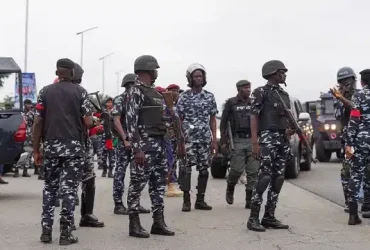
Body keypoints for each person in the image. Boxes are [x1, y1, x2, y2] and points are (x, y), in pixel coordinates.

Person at [33, 58, 94, 245]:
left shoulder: (45, 92)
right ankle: (66, 234)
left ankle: (46, 232)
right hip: (73, 149)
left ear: (57, 72)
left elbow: (37, 122)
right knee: (68, 190)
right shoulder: (80, 92)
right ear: (73, 73)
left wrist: (36, 150)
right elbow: (88, 122)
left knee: (50, 189)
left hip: (51, 147)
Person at [125, 55, 174, 238]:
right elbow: (131, 122)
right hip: (144, 147)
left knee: (158, 185)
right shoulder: (135, 91)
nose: (157, 72)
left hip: (159, 144)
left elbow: (166, 119)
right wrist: (137, 148)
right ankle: (134, 223)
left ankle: (158, 222)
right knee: (137, 185)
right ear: (148, 70)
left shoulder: (155, 93)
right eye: (155, 69)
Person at [247, 60, 293, 232]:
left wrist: (289, 130)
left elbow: (286, 118)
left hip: (282, 139)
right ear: (274, 73)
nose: (285, 74)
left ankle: (269, 216)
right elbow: (253, 116)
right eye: (282, 71)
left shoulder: (284, 94)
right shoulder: (261, 92)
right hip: (267, 138)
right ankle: (253, 218)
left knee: (278, 178)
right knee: (264, 177)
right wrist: (255, 143)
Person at [176, 63, 218, 212]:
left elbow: (213, 119)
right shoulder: (183, 97)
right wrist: (180, 141)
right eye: (195, 76)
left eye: (200, 76)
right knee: (186, 170)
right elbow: (178, 120)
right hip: (188, 139)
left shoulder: (209, 96)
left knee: (204, 170)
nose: (198, 78)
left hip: (204, 139)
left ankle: (200, 200)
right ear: (190, 78)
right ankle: (186, 200)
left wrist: (214, 140)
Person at [331, 67, 370, 214]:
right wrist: (340, 98)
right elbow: (338, 115)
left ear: (354, 80)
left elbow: (356, 109)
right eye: (343, 81)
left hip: (361, 137)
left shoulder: (361, 94)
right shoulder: (338, 96)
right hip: (351, 138)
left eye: (349, 81)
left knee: (367, 171)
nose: (347, 84)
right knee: (347, 171)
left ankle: (366, 204)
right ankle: (349, 203)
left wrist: (343, 98)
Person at [112, 73, 150, 215]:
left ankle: (135, 203)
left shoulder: (138, 98)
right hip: (125, 143)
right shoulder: (120, 99)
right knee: (120, 172)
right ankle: (118, 204)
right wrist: (125, 139)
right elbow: (116, 120)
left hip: (137, 142)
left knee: (137, 174)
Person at [72, 63, 105, 229]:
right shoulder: (79, 93)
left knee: (72, 180)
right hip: (78, 144)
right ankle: (85, 216)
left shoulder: (51, 92)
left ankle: (71, 220)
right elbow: (87, 120)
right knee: (85, 178)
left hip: (65, 144)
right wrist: (96, 121)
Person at [220, 80, 258, 208]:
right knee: (236, 169)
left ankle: (249, 200)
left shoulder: (254, 102)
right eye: (245, 88)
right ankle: (230, 187)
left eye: (249, 88)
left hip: (253, 140)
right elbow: (223, 123)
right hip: (237, 140)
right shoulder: (231, 103)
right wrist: (223, 142)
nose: (248, 90)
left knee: (253, 172)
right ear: (239, 89)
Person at [345, 69, 370, 224]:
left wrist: (349, 143)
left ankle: (353, 215)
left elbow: (354, 120)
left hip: (362, 141)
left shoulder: (359, 95)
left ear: (362, 82)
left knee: (356, 175)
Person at [157, 85, 183, 197]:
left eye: (177, 91)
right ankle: (170, 185)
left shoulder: (174, 104)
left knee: (169, 159)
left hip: (169, 135)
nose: (175, 93)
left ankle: (168, 183)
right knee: (168, 159)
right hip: (165, 134)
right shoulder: (165, 103)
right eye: (172, 91)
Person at [14, 99, 34, 178]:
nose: (29, 105)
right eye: (27, 104)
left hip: (29, 135)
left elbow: (35, 124)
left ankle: (25, 171)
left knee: (28, 153)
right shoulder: (20, 114)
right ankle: (16, 170)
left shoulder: (32, 114)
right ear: (24, 104)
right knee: (20, 153)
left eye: (30, 104)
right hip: (20, 134)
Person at [99, 97, 116, 178]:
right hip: (104, 136)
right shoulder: (103, 112)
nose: (109, 103)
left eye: (111, 102)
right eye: (108, 102)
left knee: (112, 154)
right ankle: (104, 169)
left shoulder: (115, 112)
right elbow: (98, 122)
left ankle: (110, 171)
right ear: (105, 104)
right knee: (103, 154)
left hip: (112, 137)